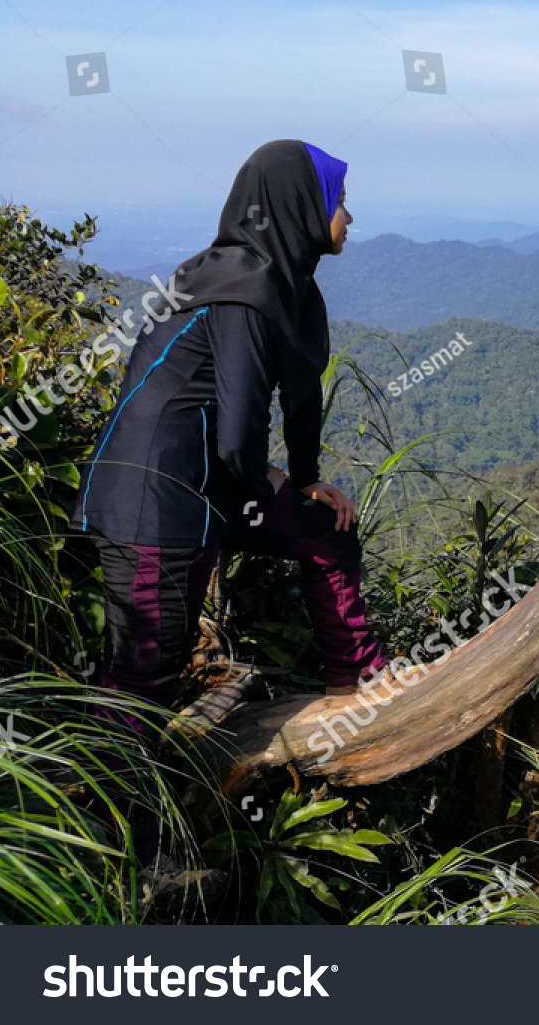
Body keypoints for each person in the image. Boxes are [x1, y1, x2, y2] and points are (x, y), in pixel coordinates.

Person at [72, 139, 389, 719]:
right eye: (340, 201)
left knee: (327, 529)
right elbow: (240, 432)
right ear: (302, 205)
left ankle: (360, 680)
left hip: (208, 491)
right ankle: (99, 803)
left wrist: (304, 479)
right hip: (155, 505)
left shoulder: (273, 283)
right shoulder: (242, 291)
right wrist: (271, 481)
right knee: (143, 685)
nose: (350, 216)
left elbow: (296, 397)